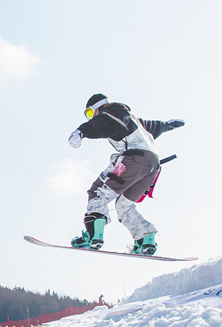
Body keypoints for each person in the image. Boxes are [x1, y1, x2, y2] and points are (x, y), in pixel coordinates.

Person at [68, 94, 185, 255]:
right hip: (152, 165)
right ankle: (145, 238)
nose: (92, 116)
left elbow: (100, 123)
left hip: (133, 160)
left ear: (97, 108)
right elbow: (151, 126)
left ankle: (93, 235)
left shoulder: (109, 114)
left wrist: (81, 131)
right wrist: (167, 125)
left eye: (90, 113)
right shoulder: (130, 119)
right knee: (124, 204)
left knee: (97, 192)